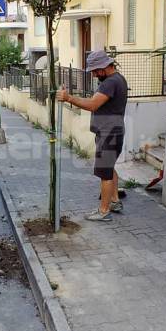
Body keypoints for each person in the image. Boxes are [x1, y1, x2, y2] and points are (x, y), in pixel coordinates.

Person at [56, 50, 128, 222]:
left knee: (105, 173)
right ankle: (114, 201)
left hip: (109, 132)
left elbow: (93, 104)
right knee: (109, 167)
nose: (94, 74)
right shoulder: (118, 79)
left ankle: (103, 211)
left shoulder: (110, 83)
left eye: (96, 70)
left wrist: (69, 98)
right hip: (113, 130)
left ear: (104, 67)